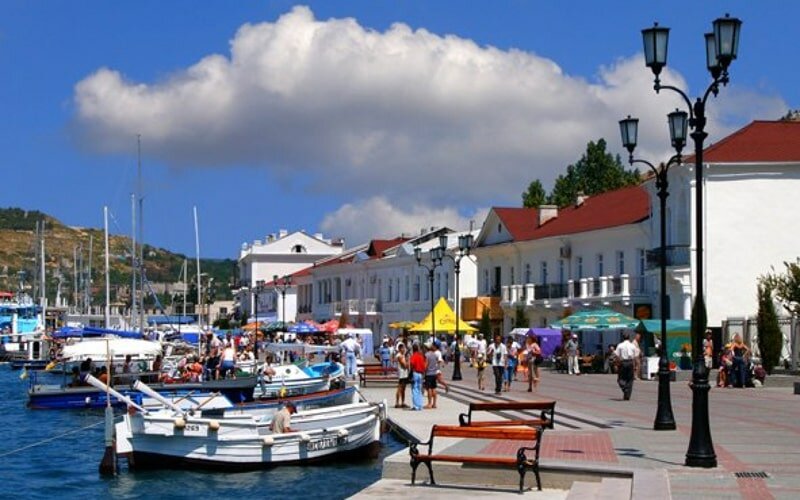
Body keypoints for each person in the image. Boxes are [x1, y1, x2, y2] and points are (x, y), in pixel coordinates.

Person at [615, 331, 638, 400]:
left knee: (620, 378)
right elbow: (635, 356)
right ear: (629, 338)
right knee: (630, 379)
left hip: (623, 362)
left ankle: (625, 389)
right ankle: (627, 394)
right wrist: (635, 365)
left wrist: (617, 364)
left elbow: (617, 356)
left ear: (623, 338)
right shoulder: (632, 346)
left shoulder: (620, 345)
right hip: (630, 362)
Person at [409, 343, 426, 411]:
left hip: (415, 373)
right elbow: (424, 366)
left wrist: (411, 372)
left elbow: (412, 364)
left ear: (413, 349)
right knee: (419, 389)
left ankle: (416, 406)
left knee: (414, 389)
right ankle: (420, 405)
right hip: (420, 374)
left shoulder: (413, 356)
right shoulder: (421, 356)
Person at [424, 343, 440, 409]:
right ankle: (434, 404)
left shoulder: (427, 355)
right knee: (434, 388)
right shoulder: (435, 354)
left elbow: (426, 364)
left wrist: (424, 371)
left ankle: (429, 403)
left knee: (429, 389)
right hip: (434, 373)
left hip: (429, 373)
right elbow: (437, 363)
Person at [394, 343, 409, 408]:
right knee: (399, 388)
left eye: (404, 348)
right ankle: (397, 403)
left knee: (403, 389)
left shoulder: (403, 355)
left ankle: (403, 402)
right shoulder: (399, 356)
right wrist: (408, 361)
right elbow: (404, 365)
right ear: (399, 349)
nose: (404, 349)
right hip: (401, 374)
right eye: (403, 348)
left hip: (405, 374)